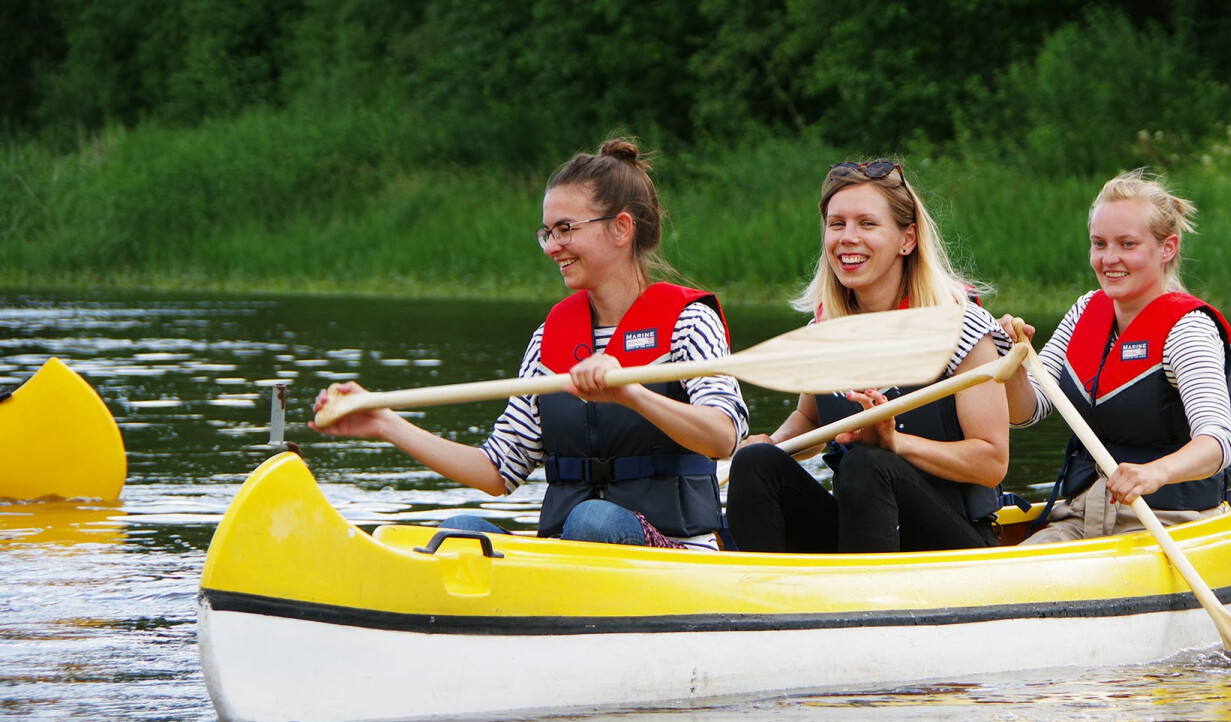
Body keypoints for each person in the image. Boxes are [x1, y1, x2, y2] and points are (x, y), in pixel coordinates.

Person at [312, 138, 748, 550]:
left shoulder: (689, 322)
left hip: (672, 551)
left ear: (620, 228)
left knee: (592, 520)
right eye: (546, 233)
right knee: (459, 532)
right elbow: (497, 470)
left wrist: (631, 395)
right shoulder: (549, 340)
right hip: (571, 552)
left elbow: (723, 437)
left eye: (564, 229)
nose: (551, 247)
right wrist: (385, 423)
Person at [725, 160, 1011, 554]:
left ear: (907, 239)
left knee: (866, 463)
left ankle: (862, 605)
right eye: (837, 224)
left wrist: (896, 443)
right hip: (861, 527)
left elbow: (992, 461)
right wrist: (771, 443)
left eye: (867, 224)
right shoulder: (825, 333)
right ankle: (760, 600)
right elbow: (810, 420)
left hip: (952, 543)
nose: (847, 237)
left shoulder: (964, 328)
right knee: (755, 463)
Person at [999, 170, 1231, 545]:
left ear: (1167, 248)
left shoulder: (1188, 329)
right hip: (1081, 516)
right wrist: (1013, 362)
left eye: (1127, 244)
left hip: (1172, 523)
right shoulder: (1083, 312)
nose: (1109, 259)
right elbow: (1028, 411)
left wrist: (1154, 474)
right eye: (1099, 244)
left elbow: (1216, 442)